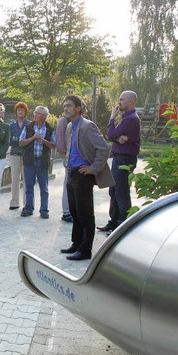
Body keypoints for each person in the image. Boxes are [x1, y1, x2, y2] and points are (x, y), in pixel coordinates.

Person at [59, 95, 113, 261]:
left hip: (83, 176)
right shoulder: (70, 126)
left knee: (85, 214)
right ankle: (76, 243)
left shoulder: (87, 126)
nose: (66, 108)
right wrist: (67, 163)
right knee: (74, 212)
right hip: (71, 173)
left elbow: (103, 148)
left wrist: (93, 168)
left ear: (78, 108)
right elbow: (71, 148)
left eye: (69, 106)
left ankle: (85, 250)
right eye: (65, 105)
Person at [98, 90, 140, 233]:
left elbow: (110, 134)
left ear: (131, 102)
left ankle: (123, 226)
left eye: (122, 99)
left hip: (124, 159)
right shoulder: (126, 118)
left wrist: (111, 119)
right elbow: (113, 136)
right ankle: (114, 222)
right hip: (119, 158)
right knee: (114, 190)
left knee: (121, 192)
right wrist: (117, 137)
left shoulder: (130, 119)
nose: (119, 102)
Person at [19, 106, 55, 219]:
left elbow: (54, 145)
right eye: (35, 112)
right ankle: (28, 209)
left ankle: (44, 210)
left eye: (37, 113)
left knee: (44, 187)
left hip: (42, 161)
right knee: (29, 186)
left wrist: (44, 141)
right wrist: (33, 138)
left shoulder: (50, 129)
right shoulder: (28, 127)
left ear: (44, 117)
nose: (34, 115)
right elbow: (21, 143)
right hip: (29, 160)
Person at [8, 102, 30, 210]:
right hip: (14, 155)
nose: (20, 112)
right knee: (14, 178)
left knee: (27, 179)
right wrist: (21, 141)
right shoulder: (11, 126)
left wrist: (20, 141)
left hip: (26, 155)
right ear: (16, 112)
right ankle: (14, 202)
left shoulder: (30, 125)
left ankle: (27, 204)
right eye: (19, 110)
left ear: (25, 112)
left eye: (22, 110)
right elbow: (10, 141)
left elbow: (30, 141)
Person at [54, 116, 72, 222]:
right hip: (68, 157)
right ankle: (66, 212)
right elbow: (60, 140)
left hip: (79, 159)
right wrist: (65, 155)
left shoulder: (83, 119)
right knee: (67, 183)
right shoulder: (64, 120)